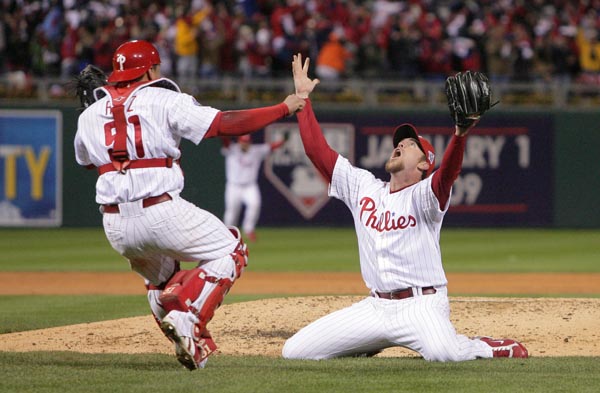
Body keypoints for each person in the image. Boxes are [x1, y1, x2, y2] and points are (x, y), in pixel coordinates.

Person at [73, 40, 305, 370]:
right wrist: (283, 107)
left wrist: (94, 120)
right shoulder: (165, 99)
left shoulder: (90, 115)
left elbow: (85, 162)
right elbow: (224, 123)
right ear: (151, 70)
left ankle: (189, 344)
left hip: (115, 225)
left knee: (161, 281)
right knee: (232, 249)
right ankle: (188, 316)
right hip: (160, 209)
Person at [282, 53, 528, 361]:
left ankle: (482, 346)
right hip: (375, 308)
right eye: (399, 142)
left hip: (421, 305)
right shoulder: (363, 187)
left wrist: (460, 135)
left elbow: (448, 174)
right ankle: (366, 343)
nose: (399, 145)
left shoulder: (426, 195)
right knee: (295, 352)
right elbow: (317, 151)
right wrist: (304, 100)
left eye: (410, 145)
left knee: (443, 354)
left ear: (426, 163)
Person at [221, 134, 286, 242]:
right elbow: (225, 141)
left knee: (255, 204)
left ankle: (248, 229)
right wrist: (223, 133)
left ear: (250, 142)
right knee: (231, 211)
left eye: (246, 142)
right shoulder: (232, 149)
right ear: (239, 142)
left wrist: (283, 141)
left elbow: (271, 147)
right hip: (233, 185)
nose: (245, 144)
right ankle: (227, 233)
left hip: (249, 186)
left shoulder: (256, 150)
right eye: (243, 141)